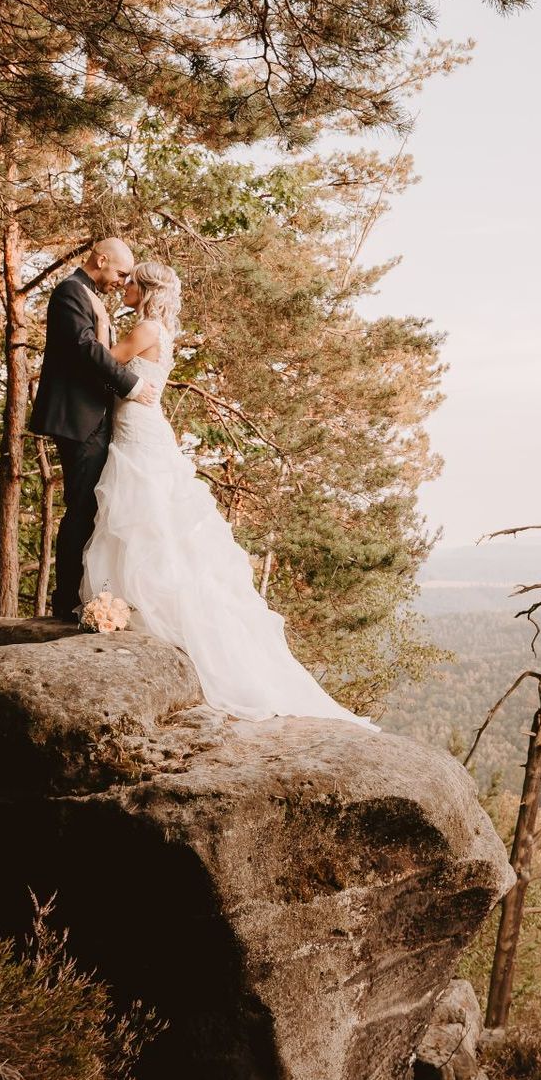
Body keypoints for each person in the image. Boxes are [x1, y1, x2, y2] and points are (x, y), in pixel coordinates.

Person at [80, 260, 379, 730]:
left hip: (138, 432)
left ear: (147, 288)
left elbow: (102, 356)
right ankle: (124, 606)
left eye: (131, 281)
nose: (126, 286)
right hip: (136, 429)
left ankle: (138, 611)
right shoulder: (154, 327)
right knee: (140, 517)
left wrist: (97, 318)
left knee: (145, 517)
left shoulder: (145, 329)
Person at [29, 239, 157, 623]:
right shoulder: (71, 291)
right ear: (100, 260)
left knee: (93, 507)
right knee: (82, 506)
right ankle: (67, 600)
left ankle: (84, 594)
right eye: (119, 273)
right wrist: (131, 386)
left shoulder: (90, 296)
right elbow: (84, 349)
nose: (121, 282)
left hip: (95, 417)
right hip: (76, 417)